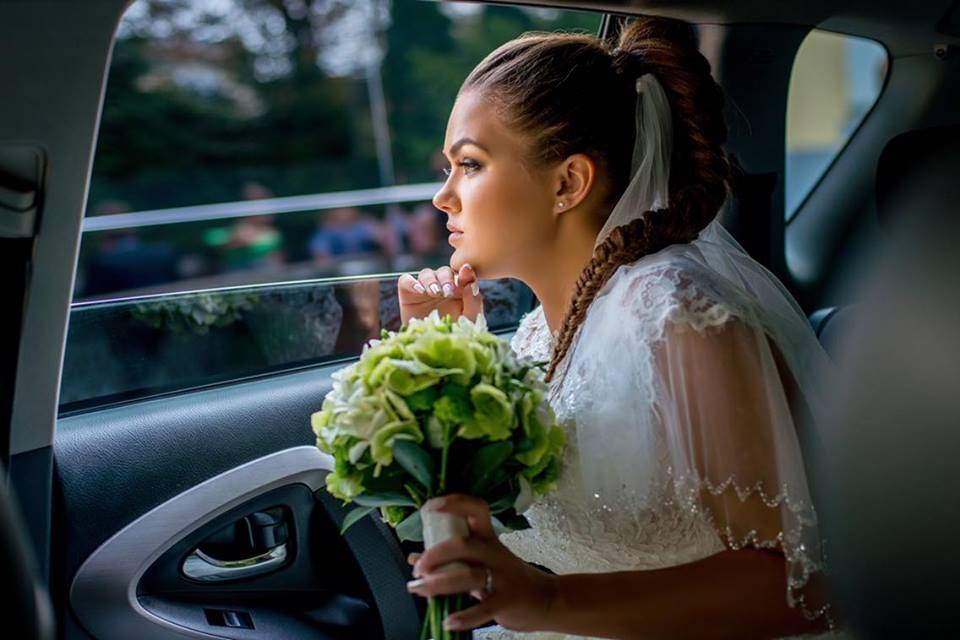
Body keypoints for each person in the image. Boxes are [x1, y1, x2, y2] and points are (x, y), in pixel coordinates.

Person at [395, 16, 849, 640]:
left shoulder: (680, 320)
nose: (443, 197)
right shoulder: (536, 334)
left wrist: (551, 601)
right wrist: (444, 361)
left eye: (469, 164)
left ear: (568, 183)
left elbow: (803, 585)